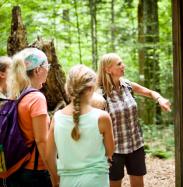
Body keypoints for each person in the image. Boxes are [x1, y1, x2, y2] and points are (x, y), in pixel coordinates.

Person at [97, 53, 171, 187]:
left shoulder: (127, 85)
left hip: (136, 145)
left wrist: (160, 99)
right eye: (119, 64)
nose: (123, 66)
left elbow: (149, 92)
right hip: (113, 150)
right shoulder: (100, 95)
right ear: (108, 69)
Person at [46, 64, 114, 187]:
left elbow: (49, 157)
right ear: (91, 89)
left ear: (68, 87)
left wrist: (56, 180)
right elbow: (110, 151)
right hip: (96, 180)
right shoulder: (102, 117)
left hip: (67, 182)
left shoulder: (56, 118)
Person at [6, 48, 52, 187]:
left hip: (15, 168)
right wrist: (53, 171)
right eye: (47, 66)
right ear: (38, 70)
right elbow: (41, 141)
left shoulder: (16, 94)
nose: (48, 70)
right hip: (35, 171)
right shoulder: (36, 98)